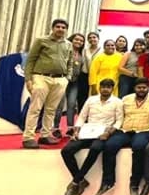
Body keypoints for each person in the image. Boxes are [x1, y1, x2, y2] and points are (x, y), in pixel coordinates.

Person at [96, 78, 149, 195]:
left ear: (148, 88)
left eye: (144, 88)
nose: (141, 90)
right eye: (139, 87)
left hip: (145, 130)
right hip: (125, 130)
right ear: (134, 88)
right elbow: (116, 113)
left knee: (138, 147)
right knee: (109, 146)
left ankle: (134, 183)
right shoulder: (126, 99)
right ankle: (108, 182)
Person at [60, 79, 123, 195]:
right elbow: (82, 116)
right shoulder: (91, 99)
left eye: (108, 87)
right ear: (99, 88)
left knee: (95, 148)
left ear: (112, 89)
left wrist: (108, 133)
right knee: (66, 151)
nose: (105, 89)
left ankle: (75, 182)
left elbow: (119, 121)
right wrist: (76, 131)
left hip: (103, 133)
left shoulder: (117, 102)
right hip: (87, 131)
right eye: (103, 87)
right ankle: (81, 180)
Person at [22, 18, 73, 149]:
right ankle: (28, 137)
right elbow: (30, 60)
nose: (60, 29)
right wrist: (28, 79)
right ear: (53, 28)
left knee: (51, 109)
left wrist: (67, 78)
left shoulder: (68, 44)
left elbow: (70, 63)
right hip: (41, 77)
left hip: (60, 80)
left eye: (63, 27)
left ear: (66, 30)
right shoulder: (41, 40)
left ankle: (45, 135)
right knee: (35, 108)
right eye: (58, 27)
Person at [52, 32, 85, 138]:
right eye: (76, 39)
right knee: (59, 105)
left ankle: (70, 128)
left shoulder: (82, 54)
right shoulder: (65, 50)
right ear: (71, 40)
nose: (79, 42)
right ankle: (55, 128)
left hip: (74, 83)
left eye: (81, 40)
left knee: (72, 105)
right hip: (63, 80)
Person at [78, 31, 101, 110]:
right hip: (84, 75)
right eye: (90, 38)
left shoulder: (102, 50)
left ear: (98, 39)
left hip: (96, 76)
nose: (92, 39)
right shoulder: (84, 50)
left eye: (94, 37)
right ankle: (81, 114)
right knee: (82, 97)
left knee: (94, 97)